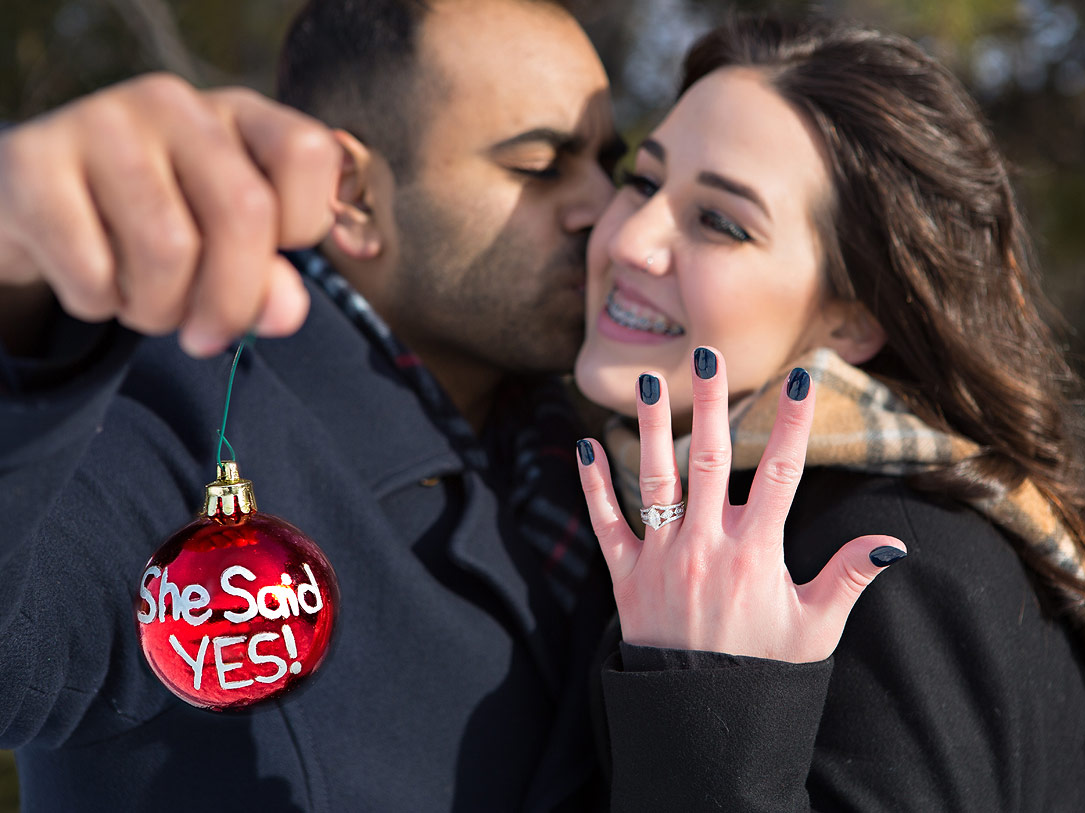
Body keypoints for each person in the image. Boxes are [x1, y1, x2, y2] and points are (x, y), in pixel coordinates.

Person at [569, 13, 1085, 813]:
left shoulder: (890, 558)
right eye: (643, 179)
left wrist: (704, 695)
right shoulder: (705, 516)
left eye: (721, 221)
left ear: (854, 317)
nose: (630, 238)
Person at [0, 0, 623, 809]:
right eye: (541, 166)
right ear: (354, 194)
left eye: (612, 161)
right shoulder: (178, 417)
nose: (605, 208)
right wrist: (15, 291)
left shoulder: (589, 459)